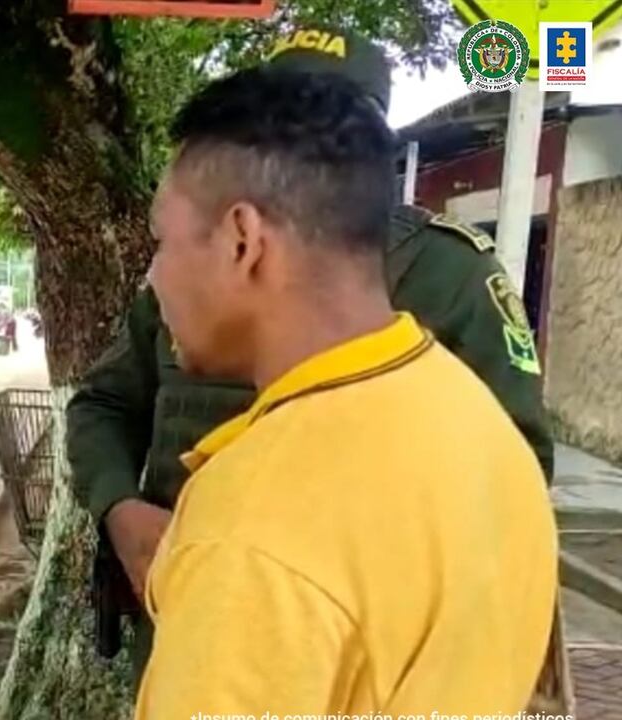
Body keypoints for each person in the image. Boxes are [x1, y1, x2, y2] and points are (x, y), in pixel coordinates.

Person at [67, 25, 556, 684]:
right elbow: (104, 403)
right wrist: (122, 512)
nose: (156, 273)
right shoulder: (456, 413)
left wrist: (299, 575)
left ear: (243, 239)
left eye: (164, 242)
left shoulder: (256, 539)